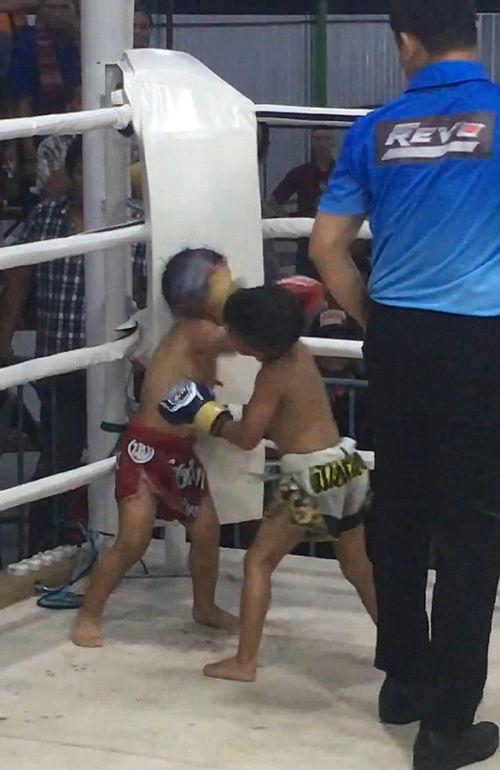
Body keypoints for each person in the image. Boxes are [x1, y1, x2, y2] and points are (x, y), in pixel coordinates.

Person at [310, 2, 500, 768]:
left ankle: (404, 682)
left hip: (396, 335)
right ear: (474, 36)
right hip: (479, 339)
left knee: (400, 511)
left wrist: (372, 320)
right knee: (471, 530)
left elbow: (326, 247)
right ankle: (447, 727)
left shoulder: (373, 130)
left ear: (406, 42)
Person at [159, 286, 377, 683]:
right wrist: (221, 410)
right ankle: (400, 646)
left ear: (250, 341)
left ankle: (244, 662)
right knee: (357, 564)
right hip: (345, 467)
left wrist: (206, 416)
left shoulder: (271, 375)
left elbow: (248, 437)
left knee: (258, 562)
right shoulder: (301, 354)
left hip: (310, 479)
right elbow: (280, 420)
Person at [72, 248, 239, 648]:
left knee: (206, 530)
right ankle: (89, 613)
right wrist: (278, 312)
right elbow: (243, 339)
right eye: (225, 283)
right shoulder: (197, 330)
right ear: (200, 293)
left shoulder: (195, 329)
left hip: (179, 452)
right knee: (133, 540)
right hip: (146, 450)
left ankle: (204, 606)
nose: (231, 289)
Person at [0, 135, 85, 553]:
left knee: (120, 456)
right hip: (57, 360)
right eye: (81, 170)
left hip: (114, 366)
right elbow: (20, 278)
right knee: (59, 457)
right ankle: (42, 546)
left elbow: (144, 291)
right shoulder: (46, 216)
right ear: (71, 172)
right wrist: (4, 339)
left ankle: (97, 540)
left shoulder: (131, 220)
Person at [267, 129, 334, 278]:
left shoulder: (342, 174)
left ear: (333, 143)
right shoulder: (300, 173)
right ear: (311, 143)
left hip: (336, 242)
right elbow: (274, 202)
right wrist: (292, 224)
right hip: (306, 243)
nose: (322, 144)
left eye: (326, 139)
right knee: (306, 285)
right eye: (318, 139)